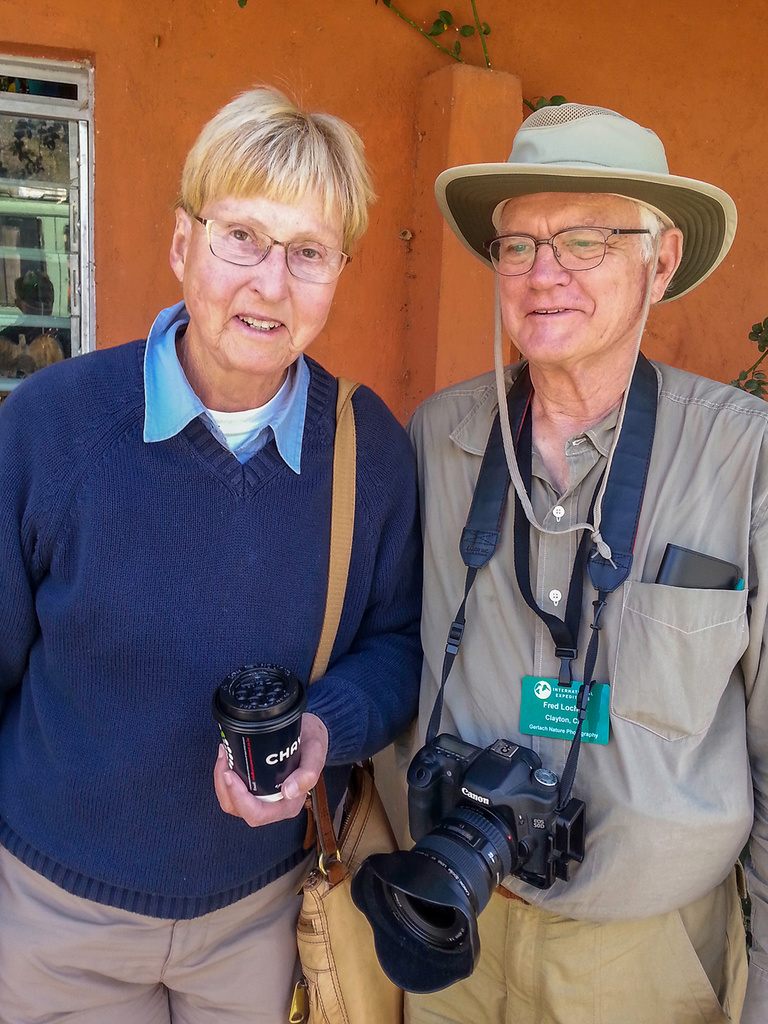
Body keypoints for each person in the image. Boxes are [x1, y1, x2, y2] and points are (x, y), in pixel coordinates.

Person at [0, 87, 421, 1023]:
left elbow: (398, 646)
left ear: (339, 271)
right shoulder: (49, 430)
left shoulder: (369, 451)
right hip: (56, 914)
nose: (271, 284)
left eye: (308, 252)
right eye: (243, 238)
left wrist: (325, 730)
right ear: (183, 243)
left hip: (265, 918)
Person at [403, 102, 767, 1023]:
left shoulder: (744, 457)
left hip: (650, 963)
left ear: (664, 258)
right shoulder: (438, 439)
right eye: (518, 246)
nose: (543, 273)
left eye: (587, 239)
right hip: (456, 930)